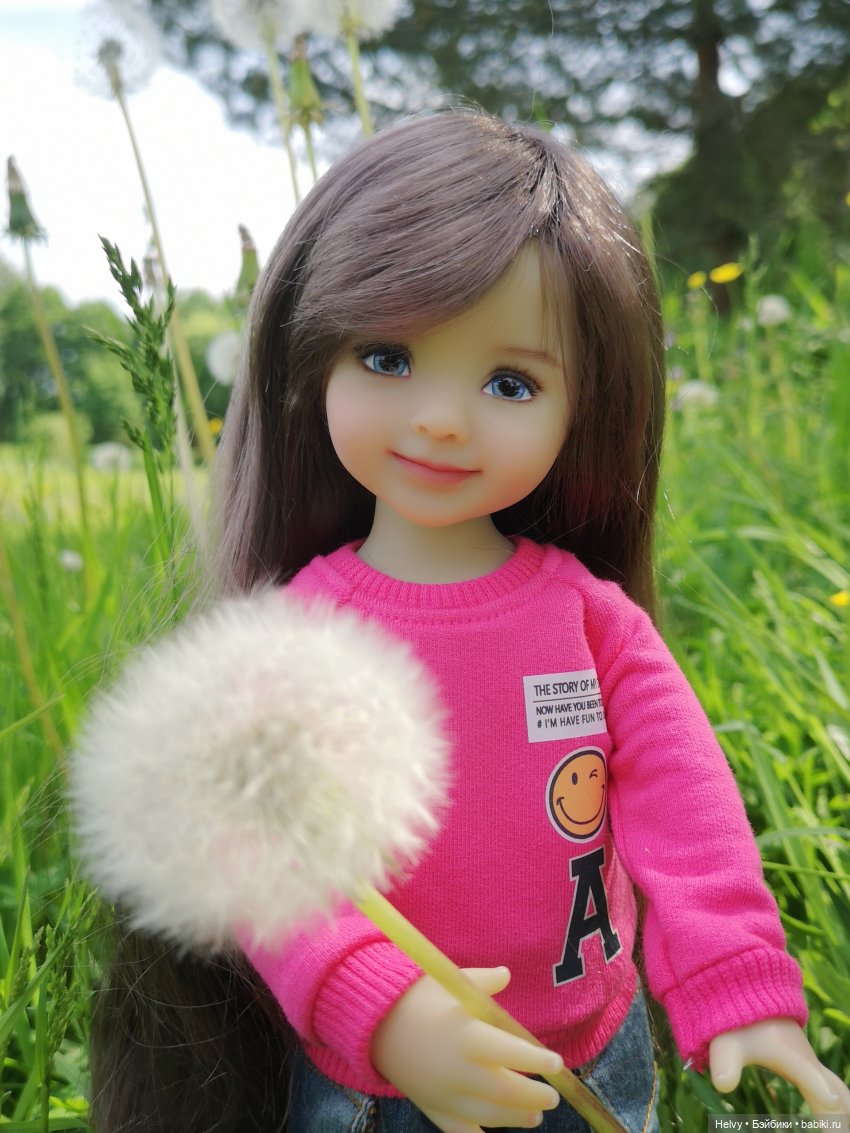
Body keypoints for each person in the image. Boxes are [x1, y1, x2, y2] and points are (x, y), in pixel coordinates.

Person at [90, 111, 849, 1133]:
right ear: (312, 357)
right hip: (378, 1081)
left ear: (585, 408)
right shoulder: (292, 635)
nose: (441, 419)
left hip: (588, 1060)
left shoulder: (591, 623)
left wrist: (734, 976)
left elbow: (684, 802)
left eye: (509, 382)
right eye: (387, 357)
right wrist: (376, 1003)